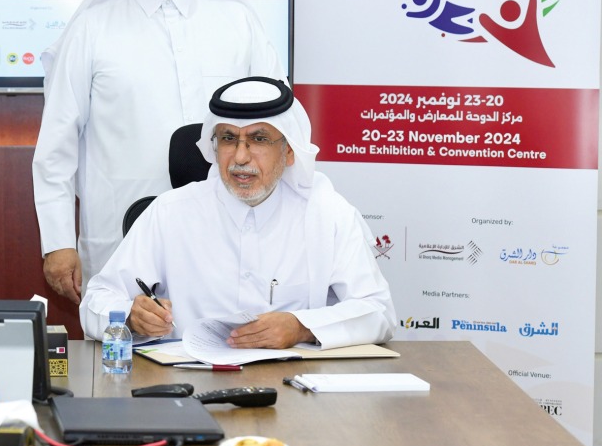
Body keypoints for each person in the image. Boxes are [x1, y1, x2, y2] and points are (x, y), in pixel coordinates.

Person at [34, 0, 285, 304]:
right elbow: (56, 146)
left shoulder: (237, 24)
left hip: (230, 227)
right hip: (122, 232)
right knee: (123, 352)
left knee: (230, 347)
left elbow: (279, 127)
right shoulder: (91, 30)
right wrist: (58, 241)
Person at [80, 77, 395, 349]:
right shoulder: (170, 213)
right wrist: (132, 318)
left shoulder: (328, 214)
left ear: (288, 151)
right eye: (228, 139)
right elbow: (96, 299)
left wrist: (302, 326)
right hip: (189, 389)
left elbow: (378, 311)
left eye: (258, 139)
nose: (240, 157)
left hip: (295, 394)